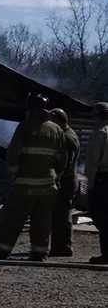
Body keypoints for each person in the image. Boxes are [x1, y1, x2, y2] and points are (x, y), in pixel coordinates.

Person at [0, 93, 66, 261]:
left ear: (30, 108)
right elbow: (62, 158)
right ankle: (39, 252)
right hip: (48, 185)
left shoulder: (25, 126)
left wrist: (13, 173)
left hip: (24, 184)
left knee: (12, 217)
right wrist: (55, 176)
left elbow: (13, 152)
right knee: (42, 220)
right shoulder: (56, 129)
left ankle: (1, 250)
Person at [48, 108, 80, 257]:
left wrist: (56, 179)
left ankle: (62, 247)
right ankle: (60, 246)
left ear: (58, 120)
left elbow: (65, 163)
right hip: (67, 179)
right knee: (60, 214)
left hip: (65, 180)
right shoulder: (67, 134)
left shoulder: (66, 137)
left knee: (61, 215)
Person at [85, 102, 108, 264]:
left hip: (103, 180)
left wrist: (89, 185)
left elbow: (93, 162)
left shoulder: (99, 133)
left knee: (101, 217)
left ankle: (106, 254)